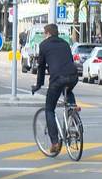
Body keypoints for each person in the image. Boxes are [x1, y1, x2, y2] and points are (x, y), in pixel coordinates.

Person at [31, 24, 78, 154]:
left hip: (57, 79)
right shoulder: (65, 43)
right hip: (73, 76)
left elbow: (41, 67)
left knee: (49, 109)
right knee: (68, 90)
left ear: (47, 33)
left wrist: (38, 85)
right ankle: (73, 111)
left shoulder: (44, 45)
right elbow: (68, 60)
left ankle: (55, 143)